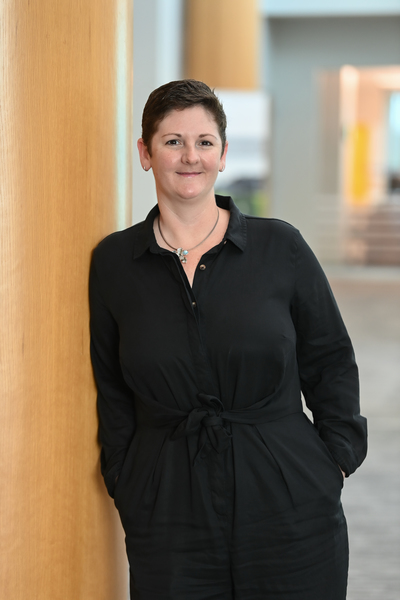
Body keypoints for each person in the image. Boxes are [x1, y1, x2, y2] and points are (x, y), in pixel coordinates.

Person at [89, 79, 367, 600]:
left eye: (204, 142)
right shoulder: (114, 263)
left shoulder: (278, 246)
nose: (189, 156)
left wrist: (335, 458)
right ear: (145, 154)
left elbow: (329, 356)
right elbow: (111, 385)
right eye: (172, 142)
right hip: (167, 504)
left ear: (222, 154)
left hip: (287, 491)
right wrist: (128, 479)